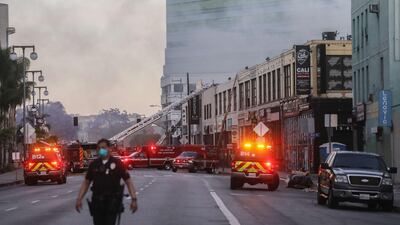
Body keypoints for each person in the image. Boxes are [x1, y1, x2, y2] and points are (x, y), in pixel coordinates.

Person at [75, 138, 138, 225]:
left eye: (104, 147)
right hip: (97, 203)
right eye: (99, 148)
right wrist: (79, 199)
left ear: (109, 148)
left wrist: (134, 199)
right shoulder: (94, 165)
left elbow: (128, 181)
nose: (101, 150)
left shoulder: (117, 163)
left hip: (112, 203)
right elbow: (86, 182)